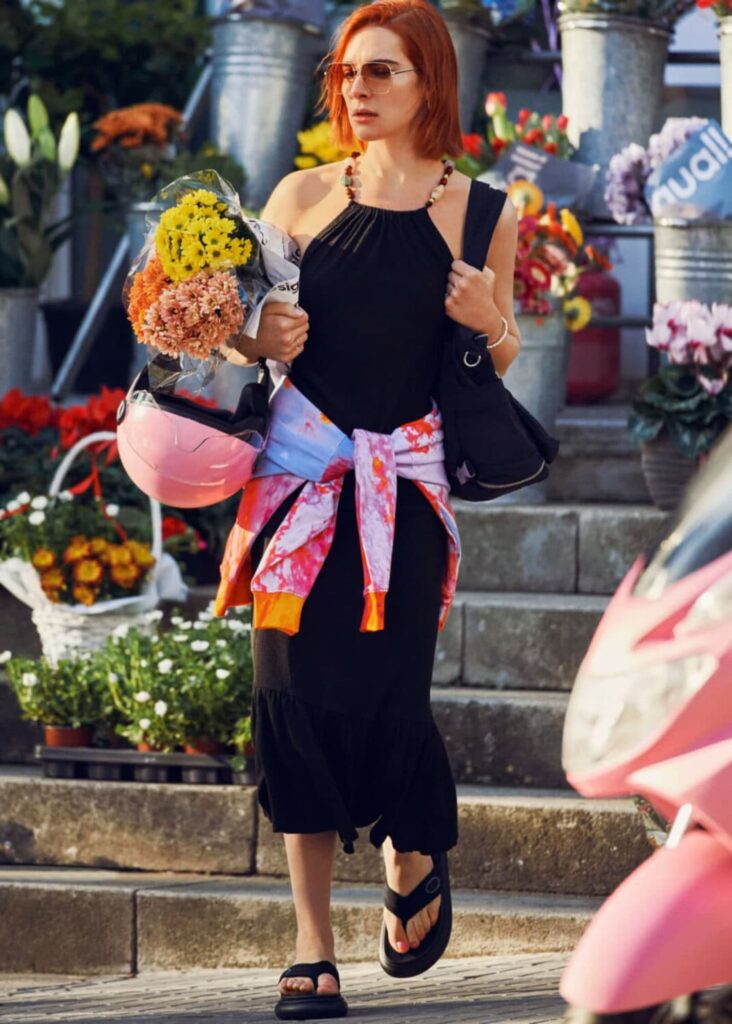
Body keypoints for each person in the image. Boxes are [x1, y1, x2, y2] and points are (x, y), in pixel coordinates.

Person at [218, 0, 521, 1017]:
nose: (357, 90)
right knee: (290, 705)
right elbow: (233, 336)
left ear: (430, 82)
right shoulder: (298, 196)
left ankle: (411, 856)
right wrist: (261, 341)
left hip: (409, 500)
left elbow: (494, 358)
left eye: (381, 72)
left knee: (391, 702)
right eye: (348, 73)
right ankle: (310, 943)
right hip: (298, 490)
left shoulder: (482, 211)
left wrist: (492, 323)